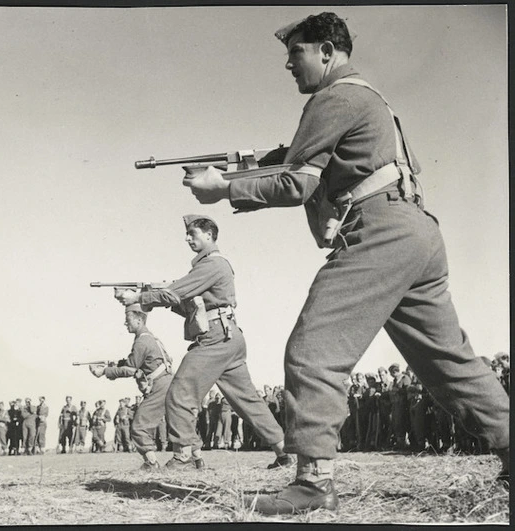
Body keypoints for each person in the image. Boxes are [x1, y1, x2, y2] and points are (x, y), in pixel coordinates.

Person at [181, 12, 510, 512]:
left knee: (313, 348)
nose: (289, 64)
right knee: (448, 362)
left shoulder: (334, 96)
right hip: (416, 231)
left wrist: (223, 187)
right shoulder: (367, 98)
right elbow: (297, 159)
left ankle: (313, 483)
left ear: (327, 51)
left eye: (296, 53)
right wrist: (241, 169)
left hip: (380, 232)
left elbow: (298, 181)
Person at [116, 215, 293, 470]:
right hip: (227, 336)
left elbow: (173, 293)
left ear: (209, 235)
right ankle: (284, 452)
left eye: (193, 234)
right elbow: (187, 304)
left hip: (215, 338)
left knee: (179, 392)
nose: (188, 239)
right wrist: (152, 296)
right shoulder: (211, 266)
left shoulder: (211, 265)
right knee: (247, 399)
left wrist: (141, 297)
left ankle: (185, 456)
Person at [90, 303, 175, 470]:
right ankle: (196, 459)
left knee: (138, 426)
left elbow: (130, 369)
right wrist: (118, 364)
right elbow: (138, 363)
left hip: (159, 386)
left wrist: (104, 371)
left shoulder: (141, 342)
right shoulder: (151, 338)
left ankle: (151, 463)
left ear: (139, 320)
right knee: (179, 422)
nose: (125, 323)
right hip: (168, 383)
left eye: (128, 320)